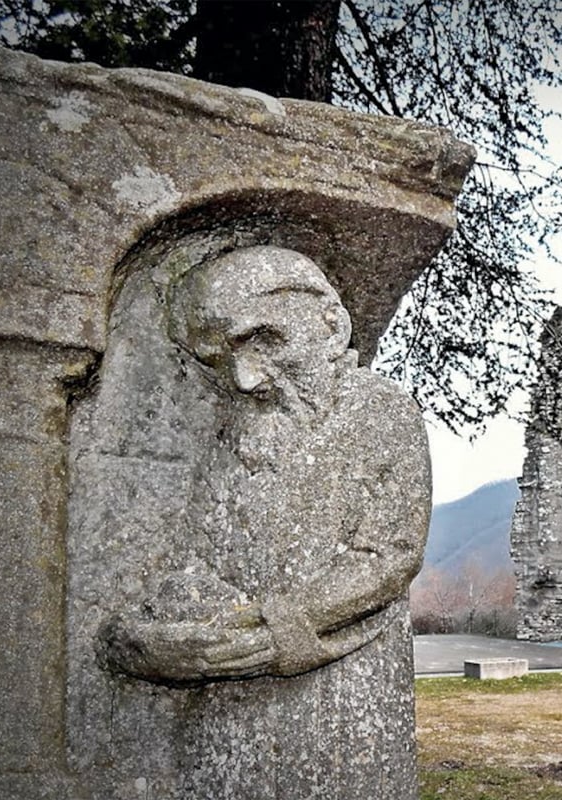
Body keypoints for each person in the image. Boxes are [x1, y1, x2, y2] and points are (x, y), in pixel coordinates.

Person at [98, 245, 430, 685]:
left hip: (339, 693)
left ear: (332, 327)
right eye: (216, 361)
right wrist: (150, 644)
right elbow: (192, 567)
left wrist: (273, 632)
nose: (244, 379)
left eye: (264, 341)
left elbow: (388, 558)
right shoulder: (233, 438)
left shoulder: (379, 412)